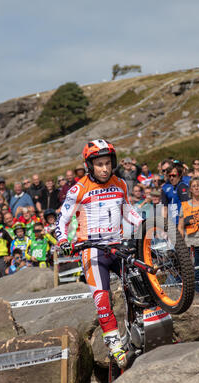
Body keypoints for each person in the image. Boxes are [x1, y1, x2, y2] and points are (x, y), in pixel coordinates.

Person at [56, 139, 142, 369]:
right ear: (90, 166)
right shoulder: (78, 189)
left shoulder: (120, 183)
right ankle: (114, 343)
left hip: (117, 245)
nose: (104, 168)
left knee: (141, 280)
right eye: (99, 164)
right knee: (102, 298)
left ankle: (144, 325)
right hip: (93, 250)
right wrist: (63, 240)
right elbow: (61, 222)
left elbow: (129, 212)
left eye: (107, 163)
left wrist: (145, 225)